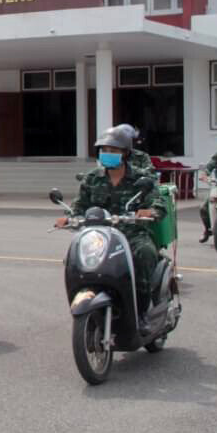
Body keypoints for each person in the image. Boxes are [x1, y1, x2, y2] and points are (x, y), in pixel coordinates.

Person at [57, 126, 166, 332]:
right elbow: (79, 206)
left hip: (132, 233)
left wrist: (149, 211)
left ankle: (142, 313)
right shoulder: (92, 178)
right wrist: (68, 218)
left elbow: (157, 202)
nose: (108, 155)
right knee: (73, 259)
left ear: (125, 153)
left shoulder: (141, 179)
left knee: (144, 254)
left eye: (114, 151)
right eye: (104, 150)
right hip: (99, 234)